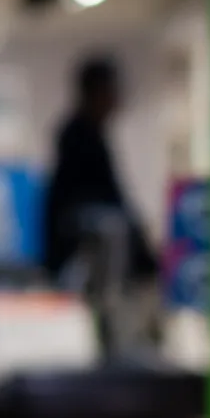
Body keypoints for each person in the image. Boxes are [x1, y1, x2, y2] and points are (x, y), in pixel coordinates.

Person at [41, 55, 156, 281]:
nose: (116, 97)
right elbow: (96, 195)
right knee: (112, 227)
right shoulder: (76, 135)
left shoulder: (93, 134)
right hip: (79, 249)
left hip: (83, 247)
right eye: (111, 90)